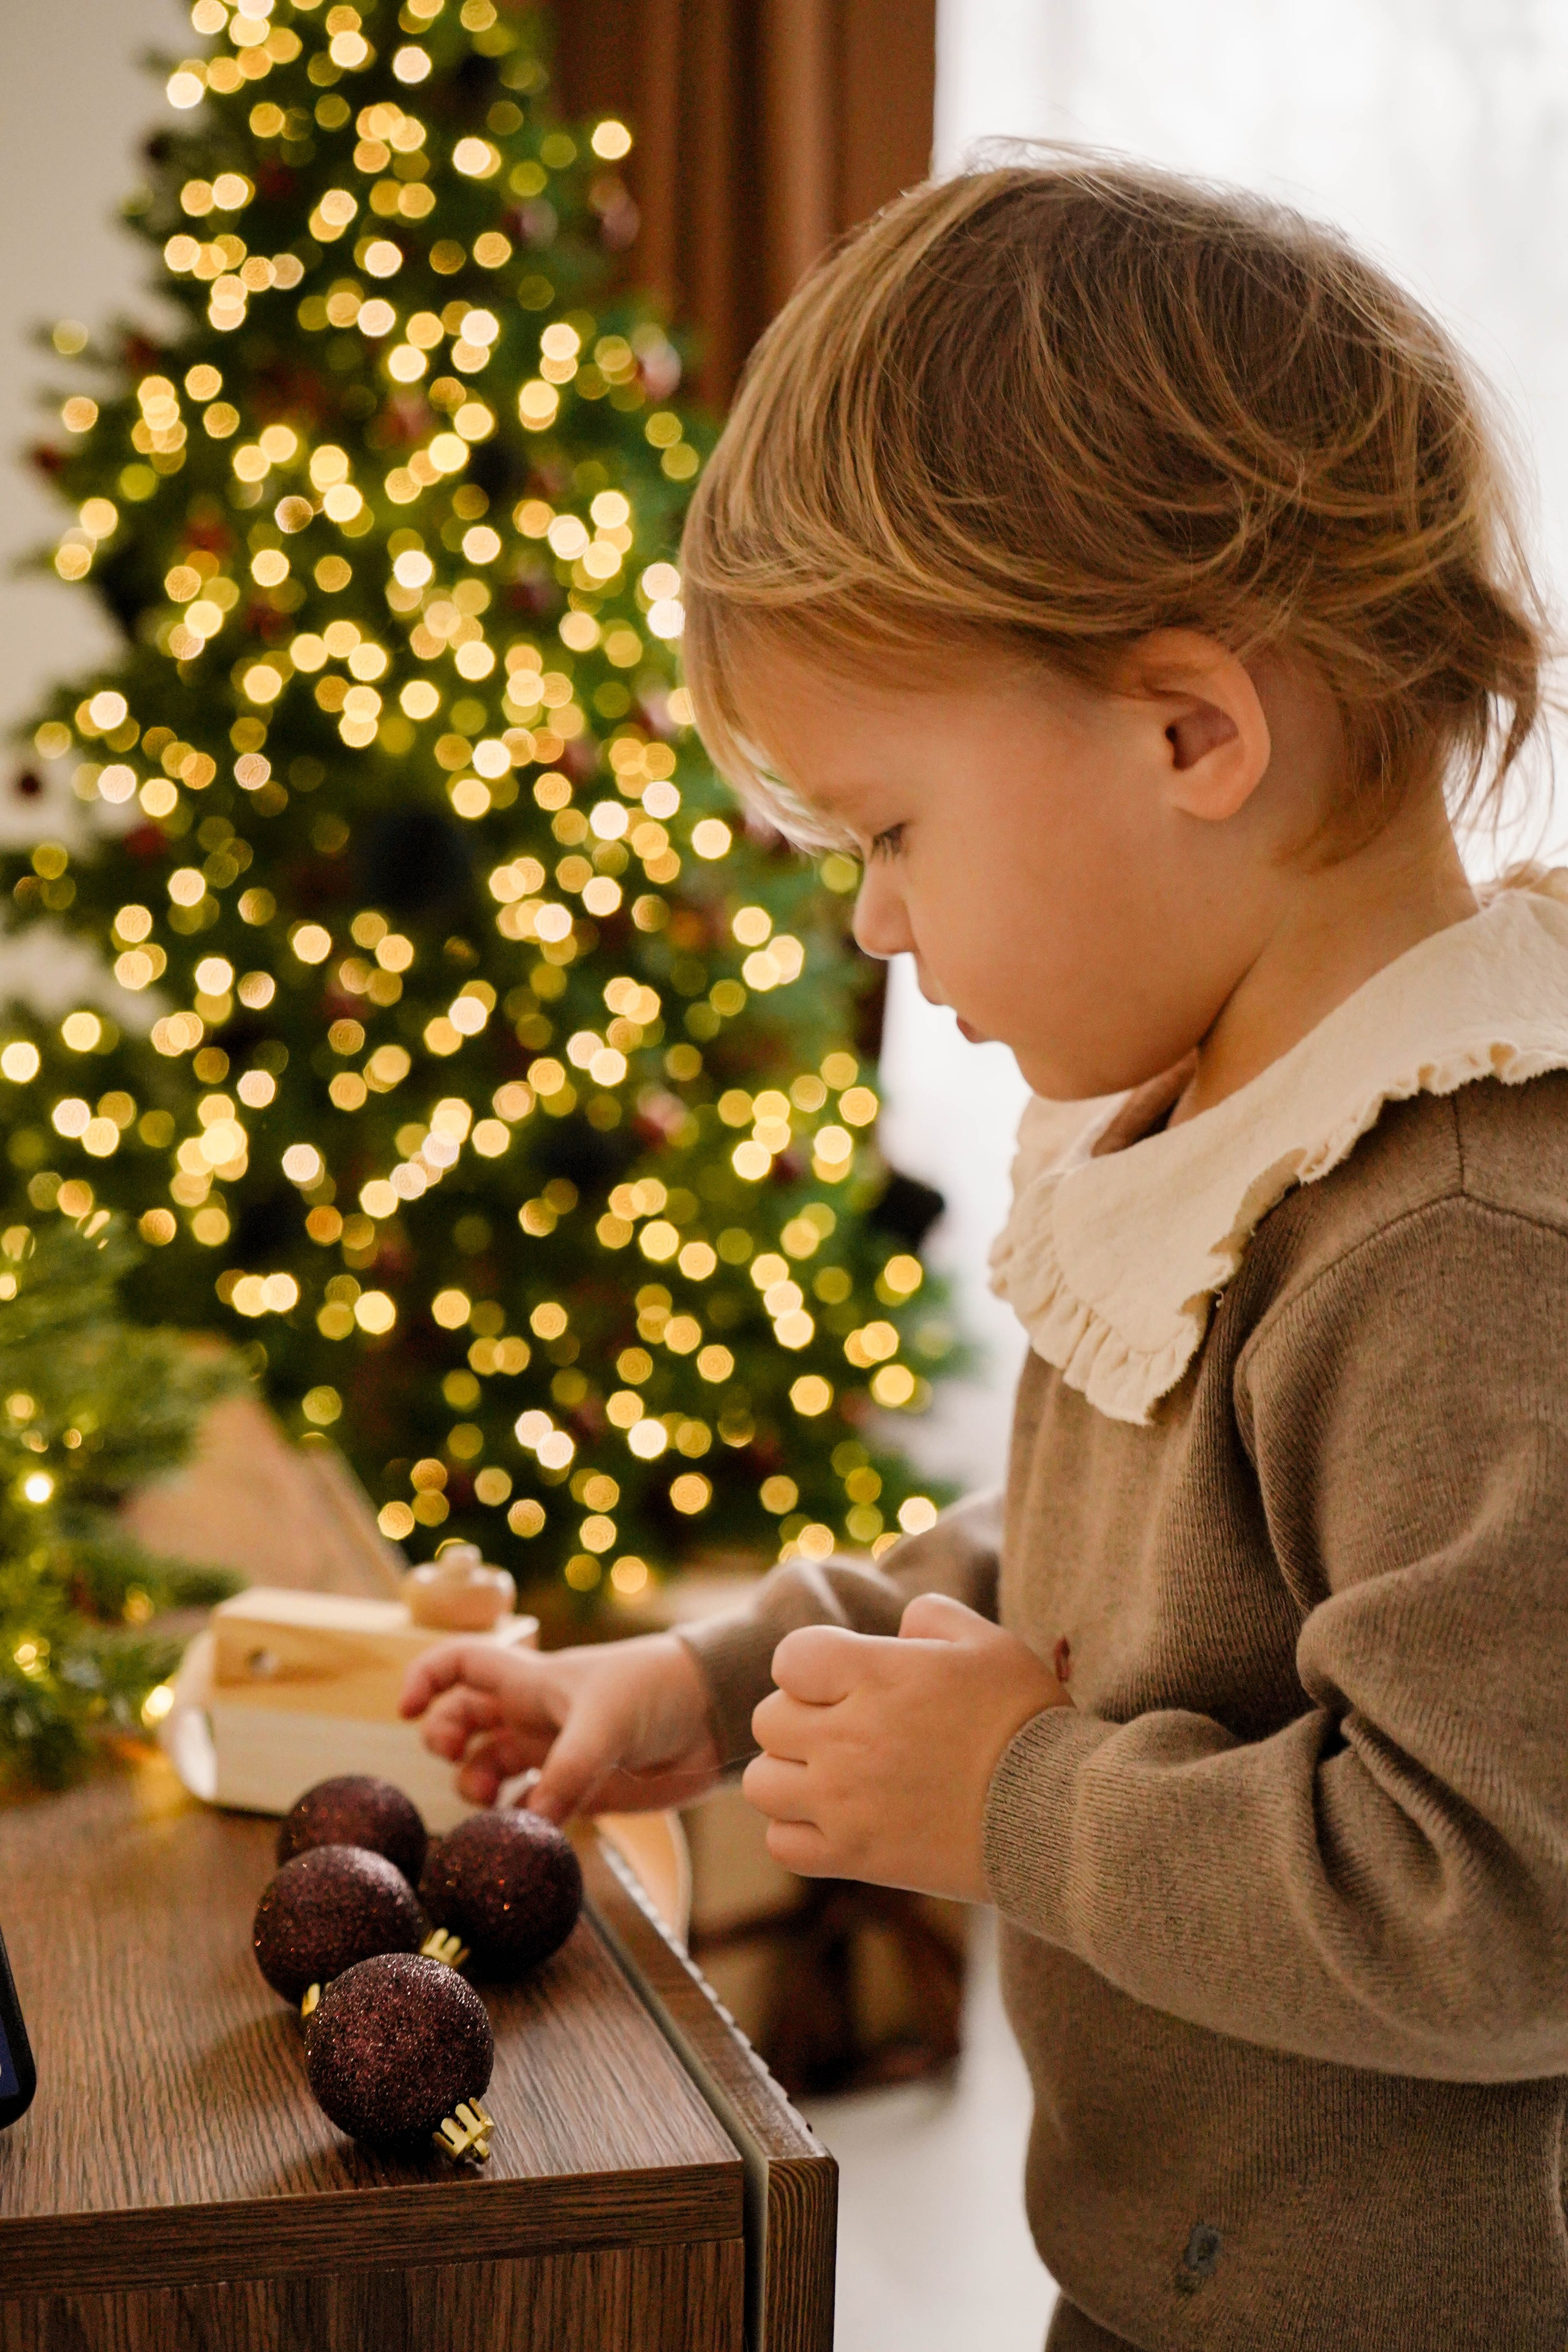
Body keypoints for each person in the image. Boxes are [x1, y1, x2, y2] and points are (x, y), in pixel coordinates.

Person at [401, 159, 1568, 2350]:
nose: (872, 921)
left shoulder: (1467, 1240)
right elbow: (1105, 1575)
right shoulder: (1217, 1134)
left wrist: (1023, 1803)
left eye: (894, 830)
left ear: (1189, 731)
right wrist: (722, 1683)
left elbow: (1504, 1907)